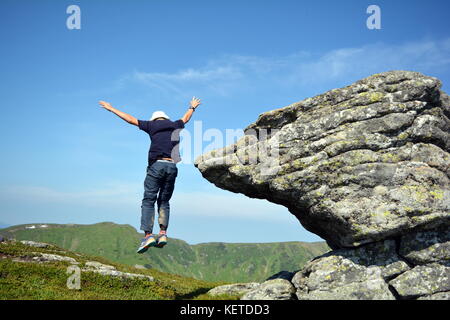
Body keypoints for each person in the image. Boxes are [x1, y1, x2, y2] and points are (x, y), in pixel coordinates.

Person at [99, 97, 201, 253]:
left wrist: (112, 109)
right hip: (172, 167)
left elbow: (131, 119)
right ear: (165, 117)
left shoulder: (151, 125)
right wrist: (192, 107)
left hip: (157, 165)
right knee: (164, 201)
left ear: (155, 118)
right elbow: (186, 118)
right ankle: (163, 233)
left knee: (149, 200)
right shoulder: (175, 125)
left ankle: (148, 236)